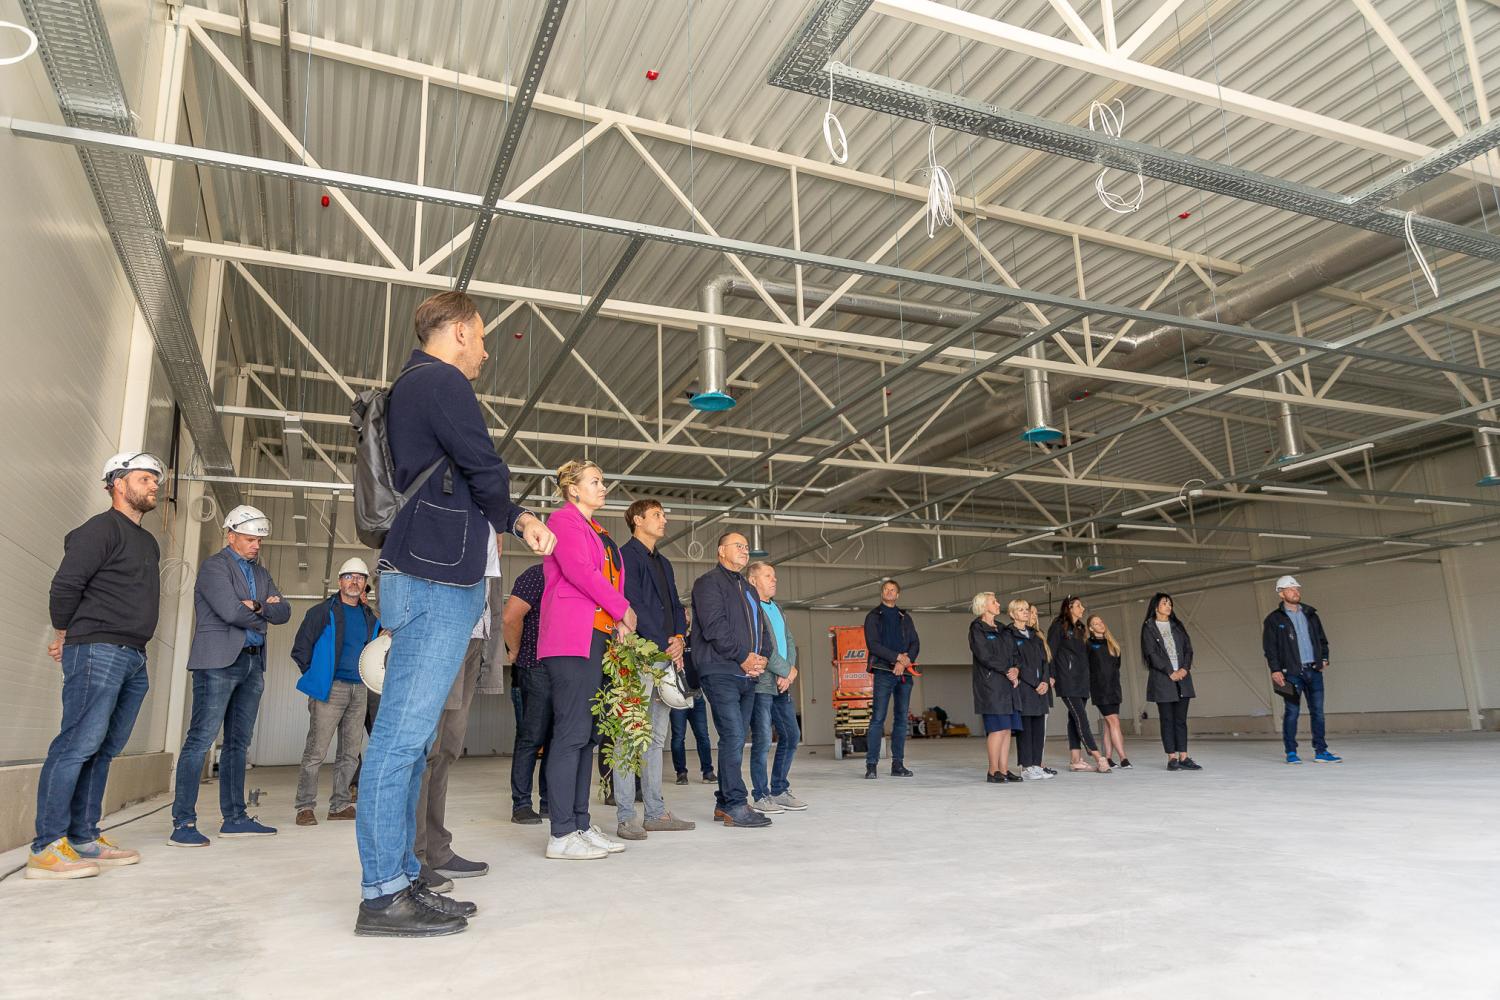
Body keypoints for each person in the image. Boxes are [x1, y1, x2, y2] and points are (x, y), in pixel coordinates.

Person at [354, 290, 556, 938]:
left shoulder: (414, 387)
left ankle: (401, 874)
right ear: (461, 331)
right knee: (401, 740)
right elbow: (482, 465)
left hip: (430, 573)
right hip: (432, 578)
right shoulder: (439, 381)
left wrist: (506, 515)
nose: (487, 351)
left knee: (411, 742)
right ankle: (382, 895)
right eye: (484, 337)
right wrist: (518, 516)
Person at [28, 453, 164, 880]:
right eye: (144, 478)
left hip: (133, 655)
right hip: (97, 649)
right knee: (76, 745)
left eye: (155, 480)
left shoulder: (148, 542)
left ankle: (84, 836)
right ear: (118, 483)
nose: (154, 485)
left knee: (104, 749)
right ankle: (47, 846)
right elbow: (65, 585)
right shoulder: (99, 529)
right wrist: (65, 633)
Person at [169, 504, 291, 848]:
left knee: (238, 743)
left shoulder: (261, 573)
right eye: (250, 538)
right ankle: (183, 822)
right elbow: (229, 611)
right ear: (231, 535)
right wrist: (262, 611)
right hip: (217, 663)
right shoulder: (214, 567)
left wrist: (258, 606)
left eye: (259, 540)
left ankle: (235, 819)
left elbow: (284, 611)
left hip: (252, 664)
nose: (256, 545)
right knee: (200, 739)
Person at [538, 460, 636, 860]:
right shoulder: (564, 520)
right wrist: (622, 608)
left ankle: (579, 823)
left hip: (595, 637)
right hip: (570, 638)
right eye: (595, 481)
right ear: (573, 489)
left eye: (603, 481)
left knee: (588, 735)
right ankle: (561, 833)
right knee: (571, 733)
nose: (603, 486)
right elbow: (579, 571)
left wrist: (616, 622)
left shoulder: (598, 530)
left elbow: (607, 577)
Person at [414, 565, 505, 888]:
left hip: (474, 642)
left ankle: (437, 849)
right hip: (440, 638)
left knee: (447, 751)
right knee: (425, 752)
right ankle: (414, 857)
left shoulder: (492, 544)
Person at [614, 499, 696, 839]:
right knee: (628, 735)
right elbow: (632, 603)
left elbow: (675, 604)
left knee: (656, 737)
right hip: (637, 656)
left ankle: (655, 812)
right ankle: (625, 817)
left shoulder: (664, 563)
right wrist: (663, 641)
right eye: (657, 515)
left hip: (664, 656)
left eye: (664, 515)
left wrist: (678, 637)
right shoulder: (624, 556)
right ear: (638, 519)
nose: (664, 520)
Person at [691, 531, 774, 828]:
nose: (744, 550)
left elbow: (762, 629)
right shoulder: (708, 583)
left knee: (735, 738)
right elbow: (714, 627)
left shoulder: (748, 589)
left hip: (747, 674)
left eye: (747, 547)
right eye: (738, 546)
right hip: (720, 670)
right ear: (721, 550)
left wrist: (762, 658)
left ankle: (724, 803)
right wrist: (743, 656)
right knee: (734, 735)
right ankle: (736, 803)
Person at [290, 557, 379, 826]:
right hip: (332, 689)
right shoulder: (321, 612)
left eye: (360, 578)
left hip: (360, 689)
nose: (354, 582)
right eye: (349, 577)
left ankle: (340, 805)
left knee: (350, 753)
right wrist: (317, 675)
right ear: (340, 581)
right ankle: (305, 807)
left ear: (365, 584)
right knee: (316, 752)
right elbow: (300, 649)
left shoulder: (369, 617)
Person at [746, 561, 805, 814]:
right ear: (753, 580)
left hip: (782, 682)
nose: (774, 580)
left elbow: (789, 640)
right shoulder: (751, 608)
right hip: (762, 685)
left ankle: (779, 790)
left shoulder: (777, 608)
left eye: (774, 576)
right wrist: (785, 671)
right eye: (768, 576)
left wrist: (789, 672)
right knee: (762, 740)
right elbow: (761, 646)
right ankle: (761, 795)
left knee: (791, 735)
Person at [1263, 575, 1340, 764]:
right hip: (1290, 673)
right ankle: (1291, 752)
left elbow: (1322, 640)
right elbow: (1270, 648)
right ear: (1281, 593)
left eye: (1297, 588)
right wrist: (1275, 670)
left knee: (1318, 712)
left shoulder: (1311, 615)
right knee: (1292, 712)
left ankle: (1321, 751)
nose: (1295, 592)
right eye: (1291, 589)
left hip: (1314, 670)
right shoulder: (1274, 619)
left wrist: (1324, 659)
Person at [506, 563, 550, 824]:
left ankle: (548, 802)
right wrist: (515, 651)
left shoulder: (575, 576)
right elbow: (510, 617)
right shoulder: (536, 575)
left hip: (564, 670)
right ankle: (521, 804)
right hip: (535, 666)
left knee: (556, 740)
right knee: (531, 738)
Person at [862, 579, 920, 779]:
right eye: (886, 589)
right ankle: (871, 765)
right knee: (878, 718)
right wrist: (897, 658)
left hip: (904, 674)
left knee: (901, 719)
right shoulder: (873, 617)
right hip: (883, 672)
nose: (889, 592)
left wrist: (905, 662)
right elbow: (873, 645)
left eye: (893, 590)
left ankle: (898, 764)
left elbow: (915, 643)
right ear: (882, 593)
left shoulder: (905, 617)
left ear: (898, 594)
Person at [1141, 593, 1200, 771]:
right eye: (1164, 603)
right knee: (1167, 719)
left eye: (1170, 604)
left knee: (1180, 720)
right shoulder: (1149, 627)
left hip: (1182, 679)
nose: (1168, 606)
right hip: (1163, 679)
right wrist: (1169, 672)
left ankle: (1184, 757)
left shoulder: (1177, 626)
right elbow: (1151, 654)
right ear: (1156, 607)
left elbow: (1188, 649)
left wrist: (1184, 669)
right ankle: (1171, 758)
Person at [1049, 597, 1109, 773]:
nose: (1082, 608)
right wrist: (1051, 675)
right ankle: (1098, 756)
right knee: (1081, 718)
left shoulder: (1081, 628)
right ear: (1069, 608)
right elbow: (1050, 652)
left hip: (1082, 680)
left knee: (1074, 718)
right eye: (1078, 605)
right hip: (1066, 679)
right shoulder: (1059, 626)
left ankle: (1075, 760)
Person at [968, 592, 1022, 784]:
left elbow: (1015, 653)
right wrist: (1007, 670)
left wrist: (1016, 669)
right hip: (990, 685)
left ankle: (1004, 770)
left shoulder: (1002, 628)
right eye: (994, 602)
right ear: (983, 606)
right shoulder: (977, 628)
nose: (998, 604)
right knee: (997, 729)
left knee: (1007, 729)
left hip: (1007, 684)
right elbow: (984, 656)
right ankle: (993, 771)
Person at [1005, 599, 1054, 780]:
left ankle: (1036, 765)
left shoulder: (1035, 635)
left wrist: (1044, 681)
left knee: (1039, 727)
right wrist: (1035, 683)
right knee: (1026, 729)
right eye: (1021, 610)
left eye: (1027, 609)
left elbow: (1044, 661)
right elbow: (1016, 662)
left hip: (1041, 688)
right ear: (1012, 614)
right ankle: (1026, 767)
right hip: (1025, 688)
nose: (1026, 612)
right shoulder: (1009, 635)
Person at [671, 606, 715, 785]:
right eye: (682, 615)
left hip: (696, 695)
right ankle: (681, 773)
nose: (685, 617)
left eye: (687, 614)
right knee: (678, 737)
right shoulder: (672, 643)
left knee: (703, 736)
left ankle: (708, 772)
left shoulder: (696, 640)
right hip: (678, 697)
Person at [1085, 614, 1130, 769]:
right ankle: (1123, 758)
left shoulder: (1113, 644)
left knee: (1108, 724)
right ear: (1091, 628)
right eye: (1095, 623)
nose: (1100, 625)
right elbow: (1087, 667)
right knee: (1114, 721)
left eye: (1101, 622)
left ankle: (1109, 757)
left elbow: (1116, 666)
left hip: (1114, 688)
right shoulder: (1089, 644)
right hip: (1100, 689)